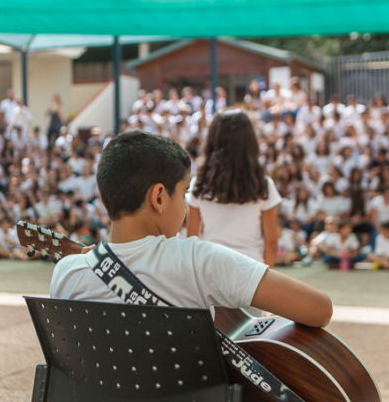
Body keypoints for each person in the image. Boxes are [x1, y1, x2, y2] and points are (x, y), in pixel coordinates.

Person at [50, 130, 332, 329]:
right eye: (184, 193)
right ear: (159, 197)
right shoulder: (199, 260)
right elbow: (319, 309)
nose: (185, 207)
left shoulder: (66, 273)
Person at [186, 110, 282, 268]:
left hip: (211, 268)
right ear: (250, 141)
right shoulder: (263, 184)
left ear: (212, 140)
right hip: (252, 269)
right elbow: (271, 244)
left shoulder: (199, 182)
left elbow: (192, 239)